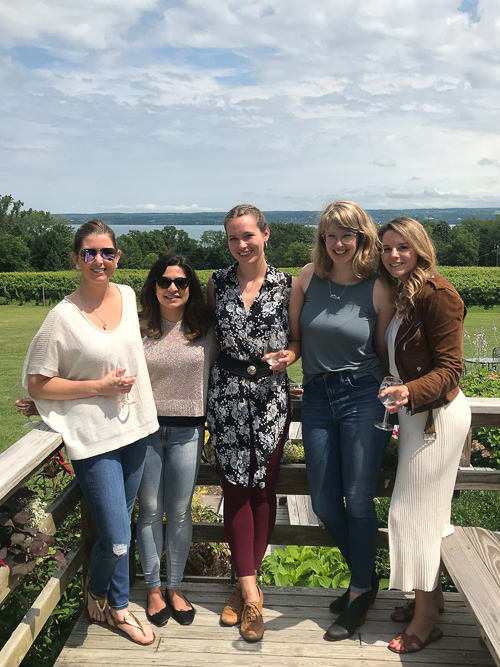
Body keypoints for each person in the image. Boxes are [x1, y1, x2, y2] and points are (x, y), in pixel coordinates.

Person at [22, 219, 158, 646]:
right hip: (94, 440)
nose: (99, 260)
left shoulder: (129, 295)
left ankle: (118, 607)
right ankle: (97, 592)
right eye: (90, 252)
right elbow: (37, 381)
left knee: (126, 525)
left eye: (107, 252)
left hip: (135, 428)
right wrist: (96, 387)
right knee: (117, 540)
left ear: (118, 256)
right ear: (76, 258)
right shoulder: (62, 316)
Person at [298, 200, 395, 642]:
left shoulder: (377, 287)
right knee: (322, 503)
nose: (338, 243)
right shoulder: (307, 277)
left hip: (362, 395)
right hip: (317, 395)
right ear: (322, 239)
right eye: (330, 235)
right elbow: (297, 338)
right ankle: (366, 578)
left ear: (362, 237)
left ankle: (358, 591)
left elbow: (382, 351)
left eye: (347, 234)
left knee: (357, 500)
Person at [206, 204, 303, 642]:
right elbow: (202, 335)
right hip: (226, 396)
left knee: (264, 486)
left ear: (266, 234)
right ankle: (251, 592)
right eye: (232, 238)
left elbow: (297, 339)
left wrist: (292, 355)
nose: (241, 244)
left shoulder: (289, 285)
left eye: (248, 235)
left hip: (270, 398)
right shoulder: (217, 283)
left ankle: (245, 584)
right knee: (233, 488)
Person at [378, 217, 471, 654]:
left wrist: (408, 391)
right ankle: (425, 598)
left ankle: (428, 617)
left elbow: (452, 370)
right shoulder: (405, 292)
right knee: (418, 515)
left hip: (438, 417)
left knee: (412, 515)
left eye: (402, 247)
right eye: (386, 247)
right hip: (414, 416)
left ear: (420, 248)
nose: (393, 255)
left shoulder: (439, 295)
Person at [136, 254, 218, 627]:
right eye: (165, 281)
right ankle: (153, 588)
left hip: (188, 431)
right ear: (154, 286)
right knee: (151, 510)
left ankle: (175, 586)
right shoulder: (136, 329)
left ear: (191, 288)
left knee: (180, 511)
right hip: (147, 432)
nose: (173, 288)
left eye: (181, 282)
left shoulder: (206, 330)